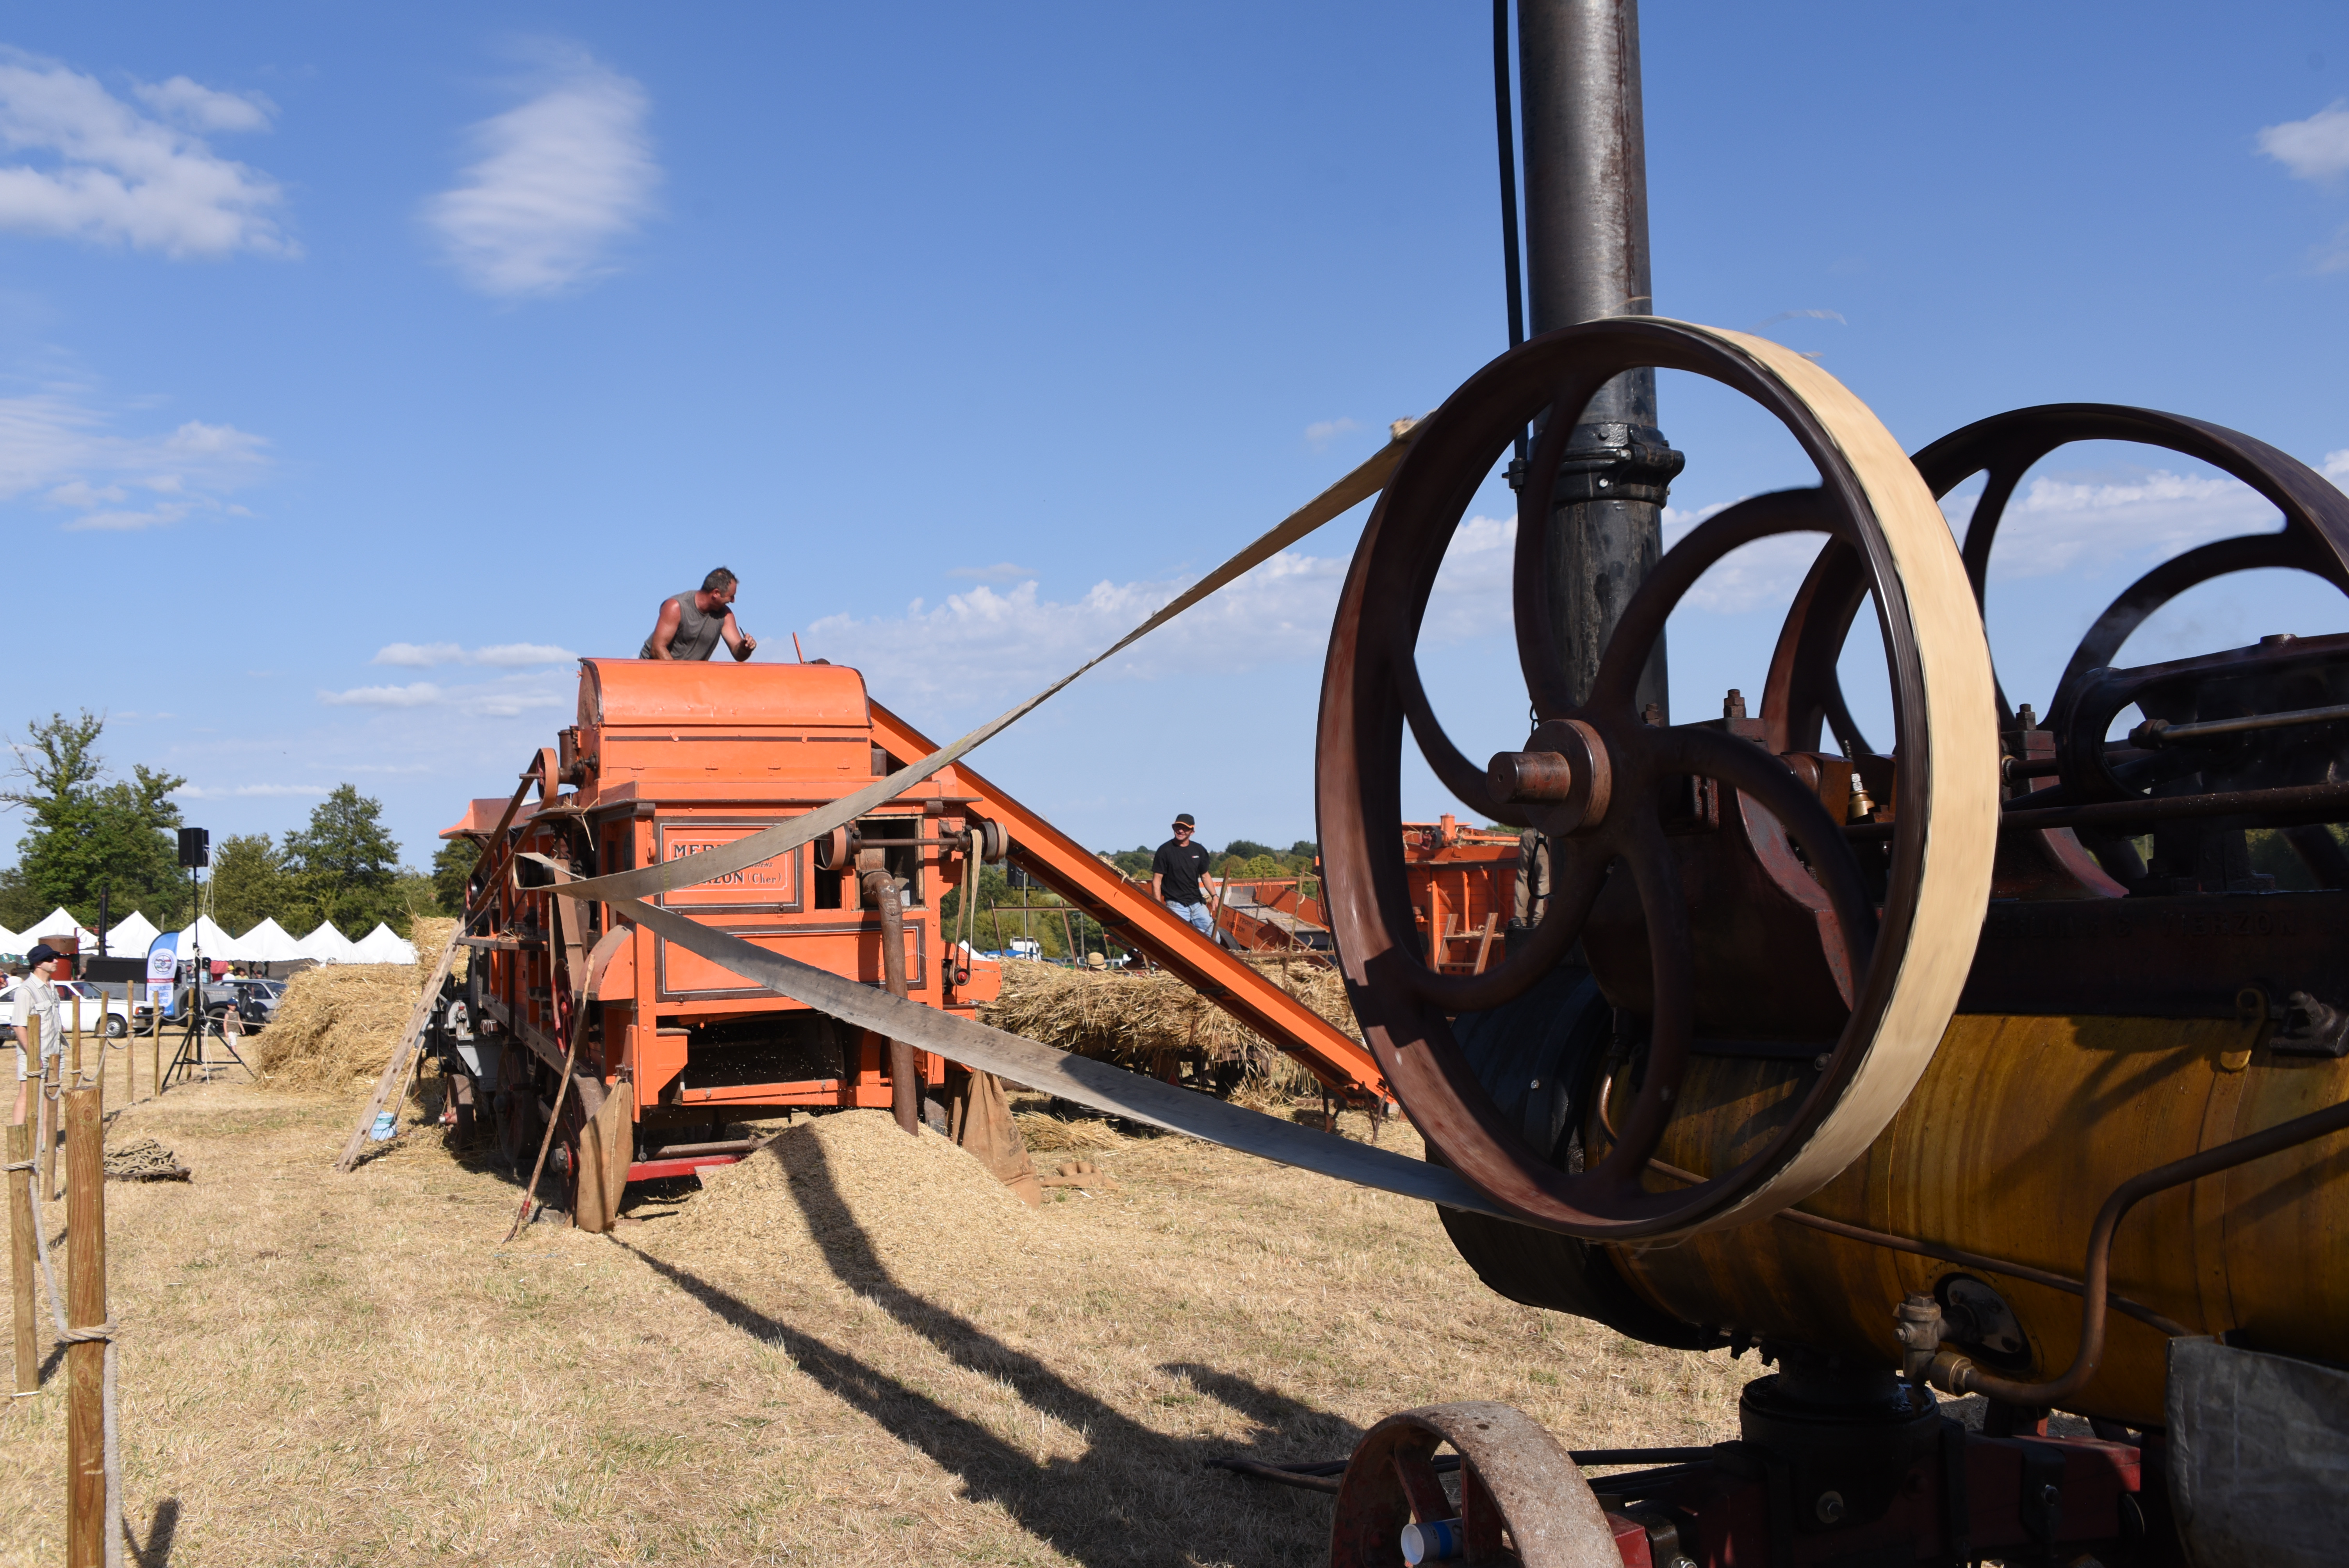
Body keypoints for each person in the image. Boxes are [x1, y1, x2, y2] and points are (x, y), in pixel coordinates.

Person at [641, 568, 758, 661]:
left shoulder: (726, 615)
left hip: (687, 679)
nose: (733, 601)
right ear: (716, 593)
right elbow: (657, 649)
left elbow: (739, 655)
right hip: (652, 674)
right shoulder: (676, 607)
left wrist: (745, 648)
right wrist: (679, 678)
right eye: (731, 596)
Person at [11, 943, 63, 1125]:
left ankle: (46, 1143)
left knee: (50, 1094)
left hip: (55, 1051)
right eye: (51, 959)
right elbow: (19, 1026)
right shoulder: (26, 990)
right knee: (27, 1093)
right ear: (38, 964)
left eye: (55, 957)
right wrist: (34, 1055)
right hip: (33, 1054)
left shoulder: (52, 986)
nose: (56, 961)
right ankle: (19, 1143)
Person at [1151, 814, 1217, 937]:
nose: (1181, 831)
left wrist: (1215, 896)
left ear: (1192, 832)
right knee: (1180, 939)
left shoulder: (1199, 850)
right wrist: (1158, 905)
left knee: (1214, 938)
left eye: (1185, 828)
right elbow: (1157, 880)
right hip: (1176, 905)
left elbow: (1205, 875)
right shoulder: (1165, 851)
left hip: (1197, 904)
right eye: (1178, 827)